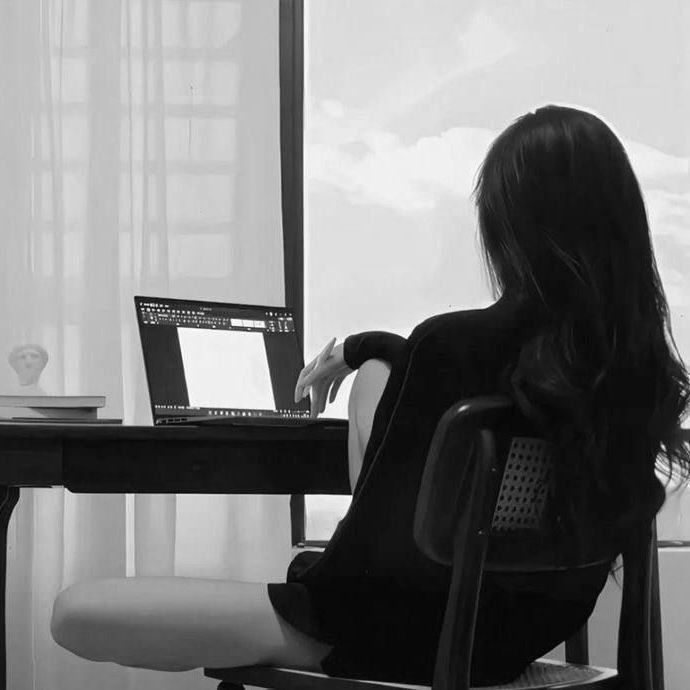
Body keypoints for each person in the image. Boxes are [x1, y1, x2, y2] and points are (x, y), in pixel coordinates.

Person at [50, 105, 690, 684]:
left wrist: (302, 586)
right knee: (376, 381)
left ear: (506, 226)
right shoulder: (633, 376)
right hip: (507, 642)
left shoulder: (452, 349)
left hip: (383, 637)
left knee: (73, 612)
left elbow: (374, 561)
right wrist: (367, 350)